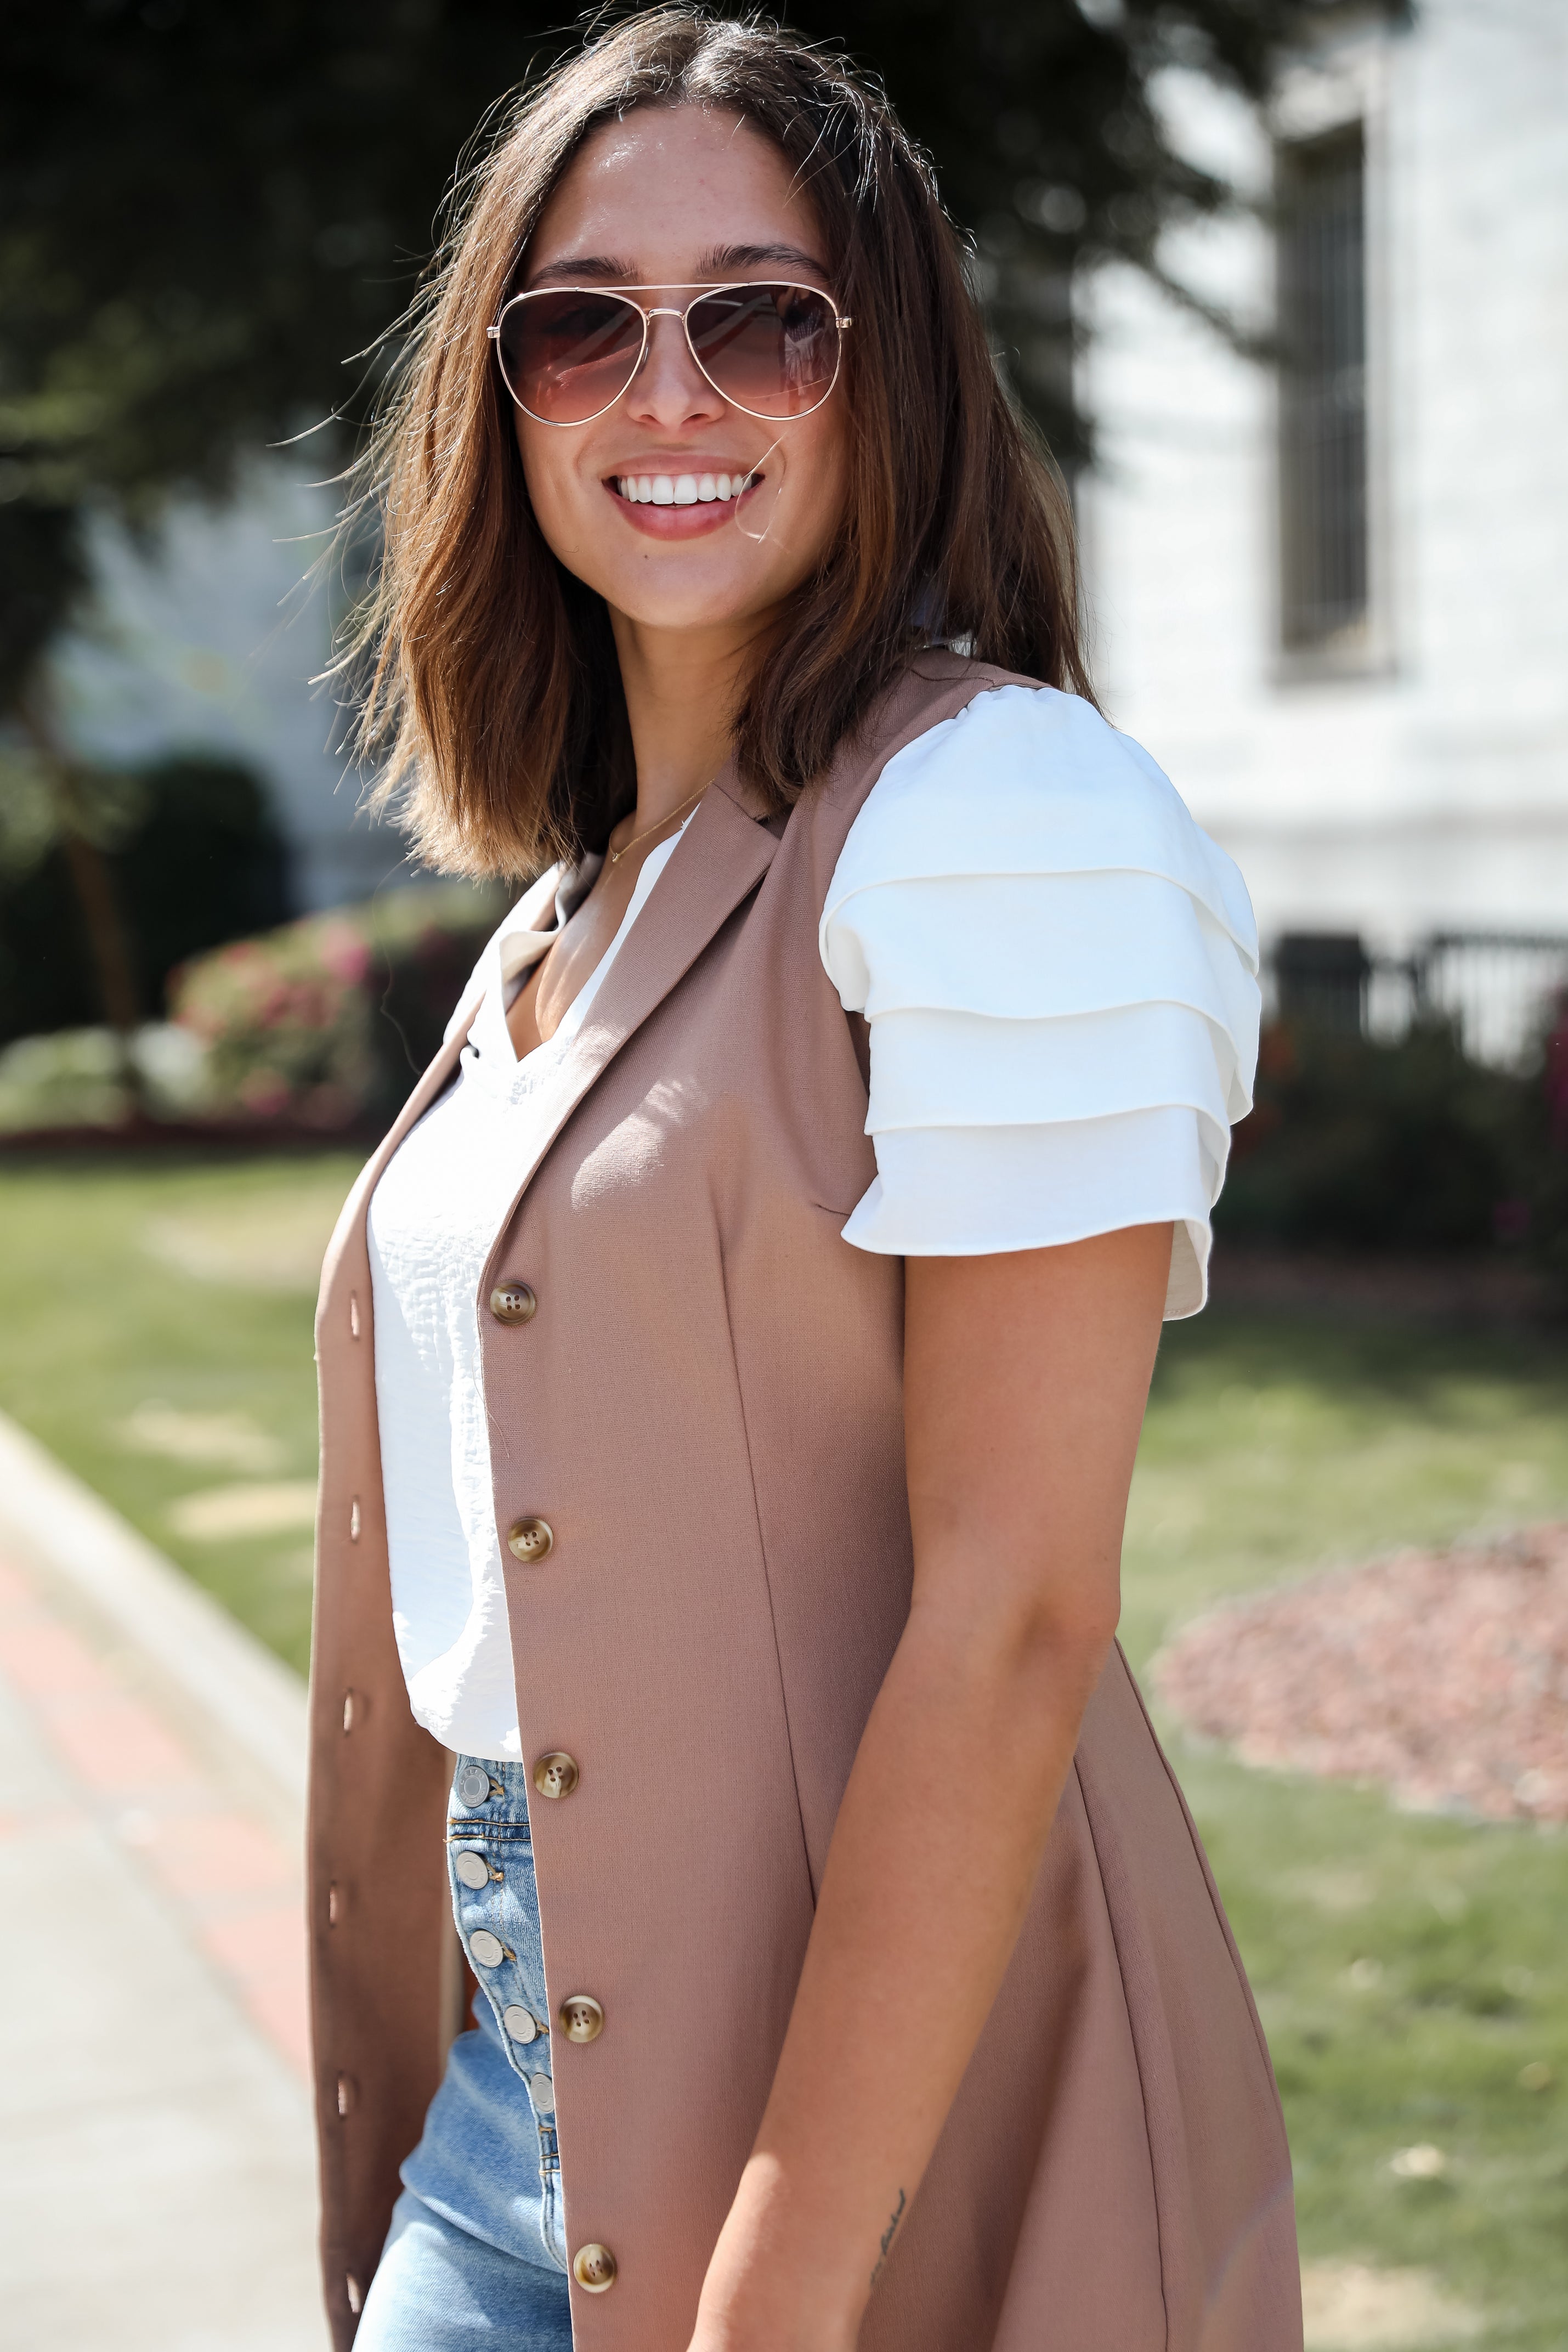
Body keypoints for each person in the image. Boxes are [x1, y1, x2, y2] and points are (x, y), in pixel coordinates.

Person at [308, 13, 1301, 2351]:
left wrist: (775, 2292)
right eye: (583, 328)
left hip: (877, 2142)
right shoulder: (575, 904)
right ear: (499, 403)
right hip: (507, 2100)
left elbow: (1014, 1614)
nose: (669, 393)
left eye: (764, 321)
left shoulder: (1001, 818)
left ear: (892, 378)